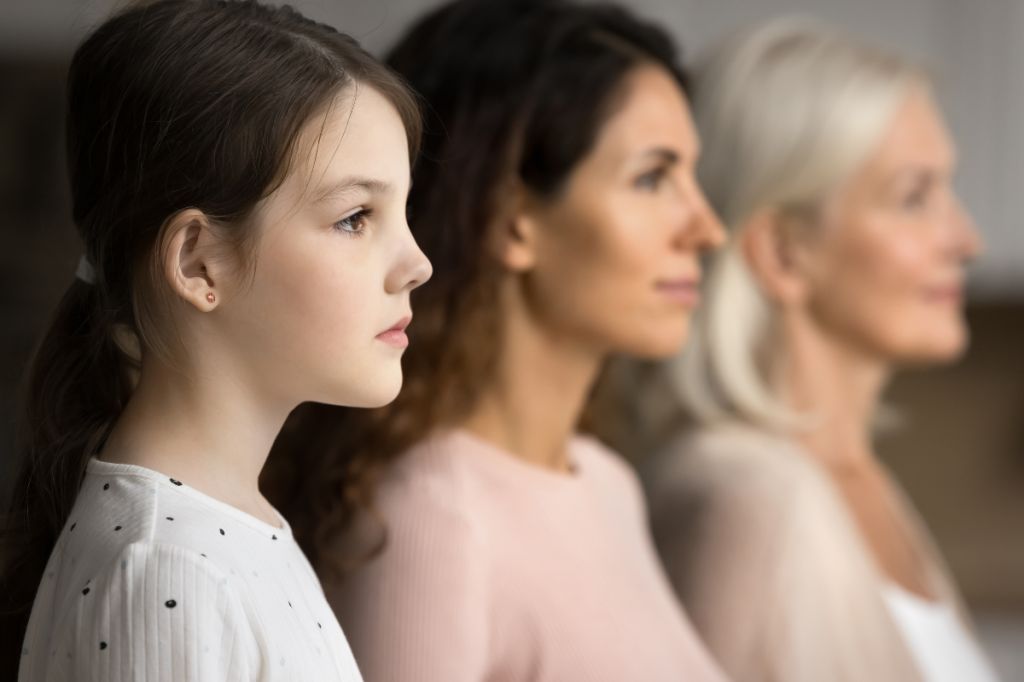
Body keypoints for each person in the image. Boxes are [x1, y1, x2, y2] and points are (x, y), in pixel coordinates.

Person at [264, 1, 727, 680]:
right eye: (652, 177)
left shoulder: (607, 484)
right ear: (512, 221)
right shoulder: (433, 520)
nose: (707, 228)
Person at [0, 1, 431, 680]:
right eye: (355, 218)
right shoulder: (169, 568)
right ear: (198, 262)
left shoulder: (217, 536)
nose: (417, 263)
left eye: (402, 212)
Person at [644, 18, 999, 682]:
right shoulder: (751, 497)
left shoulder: (858, 480)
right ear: (781, 252)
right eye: (914, 198)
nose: (966, 239)